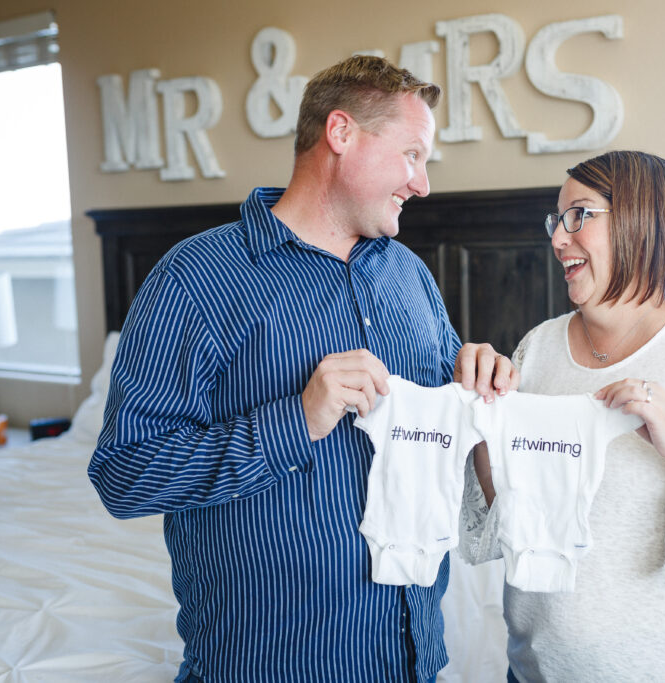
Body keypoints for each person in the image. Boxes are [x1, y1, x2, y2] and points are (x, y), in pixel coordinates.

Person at [88, 55, 515, 683]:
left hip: (412, 654)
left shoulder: (409, 276)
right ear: (340, 134)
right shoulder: (195, 279)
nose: (422, 184)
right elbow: (123, 477)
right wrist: (296, 419)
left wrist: (476, 386)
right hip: (275, 663)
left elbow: (446, 429)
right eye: (412, 155)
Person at [461, 150, 665, 681]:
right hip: (534, 671)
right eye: (557, 219)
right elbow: (508, 517)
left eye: (579, 215)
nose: (557, 239)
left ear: (642, 221)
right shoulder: (536, 349)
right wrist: (481, 422)